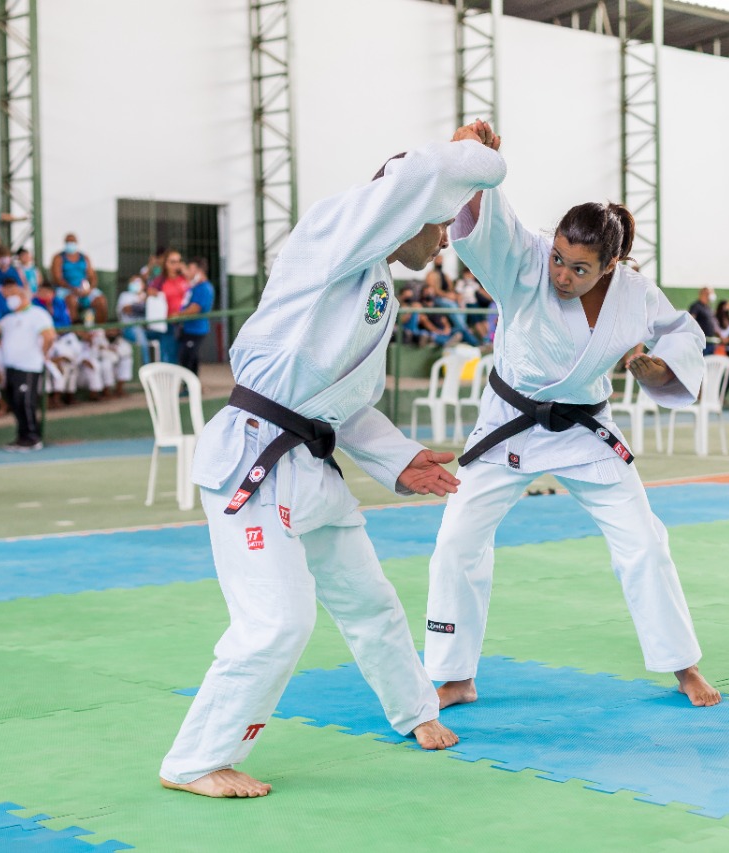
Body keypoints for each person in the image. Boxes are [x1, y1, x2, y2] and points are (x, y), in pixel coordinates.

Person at [159, 122, 507, 800]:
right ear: (405, 208)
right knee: (279, 621)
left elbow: (341, 406)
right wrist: (476, 156)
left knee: (370, 600)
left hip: (309, 466)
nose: (442, 241)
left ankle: (415, 709)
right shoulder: (332, 236)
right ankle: (197, 757)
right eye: (438, 223)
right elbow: (406, 181)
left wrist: (400, 459)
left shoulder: (371, 285)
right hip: (254, 460)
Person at [423, 149, 720, 714]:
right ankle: (453, 674)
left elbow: (681, 331)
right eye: (558, 258)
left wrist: (658, 368)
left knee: (644, 542)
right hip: (510, 422)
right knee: (457, 544)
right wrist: (474, 163)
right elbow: (491, 224)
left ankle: (683, 663)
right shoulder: (527, 262)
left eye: (579, 269)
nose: (561, 275)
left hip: (586, 427)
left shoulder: (635, 294)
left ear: (611, 265)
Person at [0, 280, 56, 449]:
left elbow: (49, 336)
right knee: (15, 403)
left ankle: (32, 438)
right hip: (11, 366)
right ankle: (21, 437)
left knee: (25, 401)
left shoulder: (38, 314)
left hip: (29, 366)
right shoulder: (8, 318)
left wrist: (43, 354)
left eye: (14, 294)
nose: (10, 298)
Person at [174, 257, 214, 376]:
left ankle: (189, 386)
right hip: (189, 328)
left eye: (190, 269)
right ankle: (193, 385)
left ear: (199, 271)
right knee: (191, 358)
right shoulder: (195, 286)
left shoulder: (204, 288)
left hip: (196, 330)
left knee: (187, 358)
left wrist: (177, 315)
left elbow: (195, 309)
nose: (188, 272)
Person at [152, 249, 187, 363]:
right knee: (169, 354)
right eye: (172, 262)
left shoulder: (185, 279)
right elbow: (150, 292)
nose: (176, 265)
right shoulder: (160, 281)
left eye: (179, 261)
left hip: (185, 322)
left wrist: (185, 271)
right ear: (166, 263)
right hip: (169, 323)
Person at [50, 233, 97, 310]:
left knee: (101, 301)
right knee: (70, 301)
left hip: (84, 289)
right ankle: (75, 321)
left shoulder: (84, 257)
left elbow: (92, 276)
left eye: (72, 241)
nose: (70, 244)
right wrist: (73, 289)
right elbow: (57, 278)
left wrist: (89, 289)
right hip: (65, 289)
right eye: (68, 242)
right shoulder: (58, 258)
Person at [117, 275, 150, 364]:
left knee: (165, 334)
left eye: (138, 282)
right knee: (141, 339)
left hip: (147, 328)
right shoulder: (125, 295)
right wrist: (142, 303)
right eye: (133, 282)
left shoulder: (146, 296)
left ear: (143, 285)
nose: (135, 284)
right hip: (129, 328)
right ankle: (145, 366)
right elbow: (127, 309)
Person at [688, 287, 721, 356]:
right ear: (703, 293)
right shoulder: (696, 306)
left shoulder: (708, 307)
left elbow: (713, 324)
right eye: (709, 293)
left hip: (710, 343)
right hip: (701, 342)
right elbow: (691, 321)